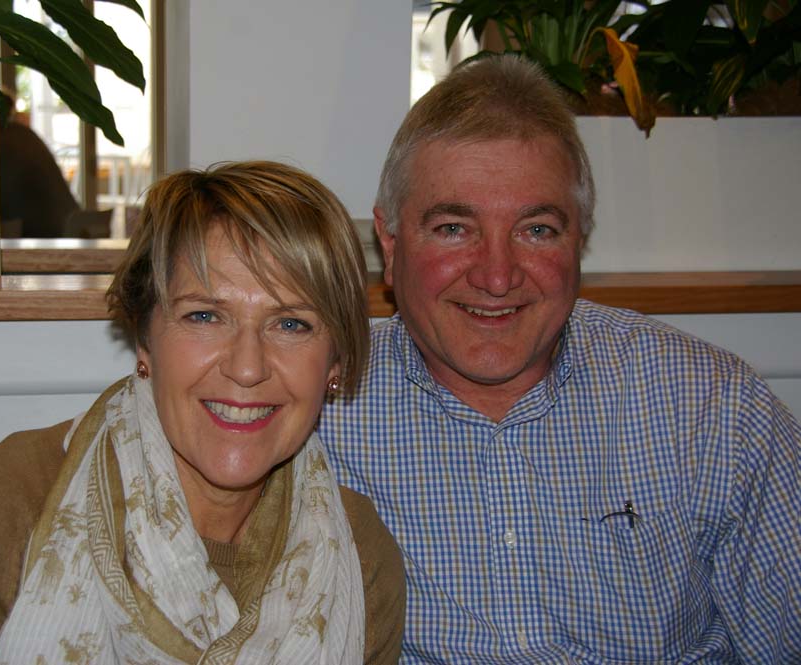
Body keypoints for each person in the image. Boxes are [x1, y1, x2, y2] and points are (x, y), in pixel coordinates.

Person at [319, 54, 801, 662]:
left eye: (537, 230)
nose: (497, 276)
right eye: (453, 228)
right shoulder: (315, 408)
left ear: (579, 238)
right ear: (389, 245)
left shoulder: (710, 405)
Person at [0, 161, 405, 664]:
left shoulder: (357, 558)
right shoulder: (3, 516)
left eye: (292, 324)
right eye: (205, 316)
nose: (247, 367)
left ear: (335, 362)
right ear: (144, 339)